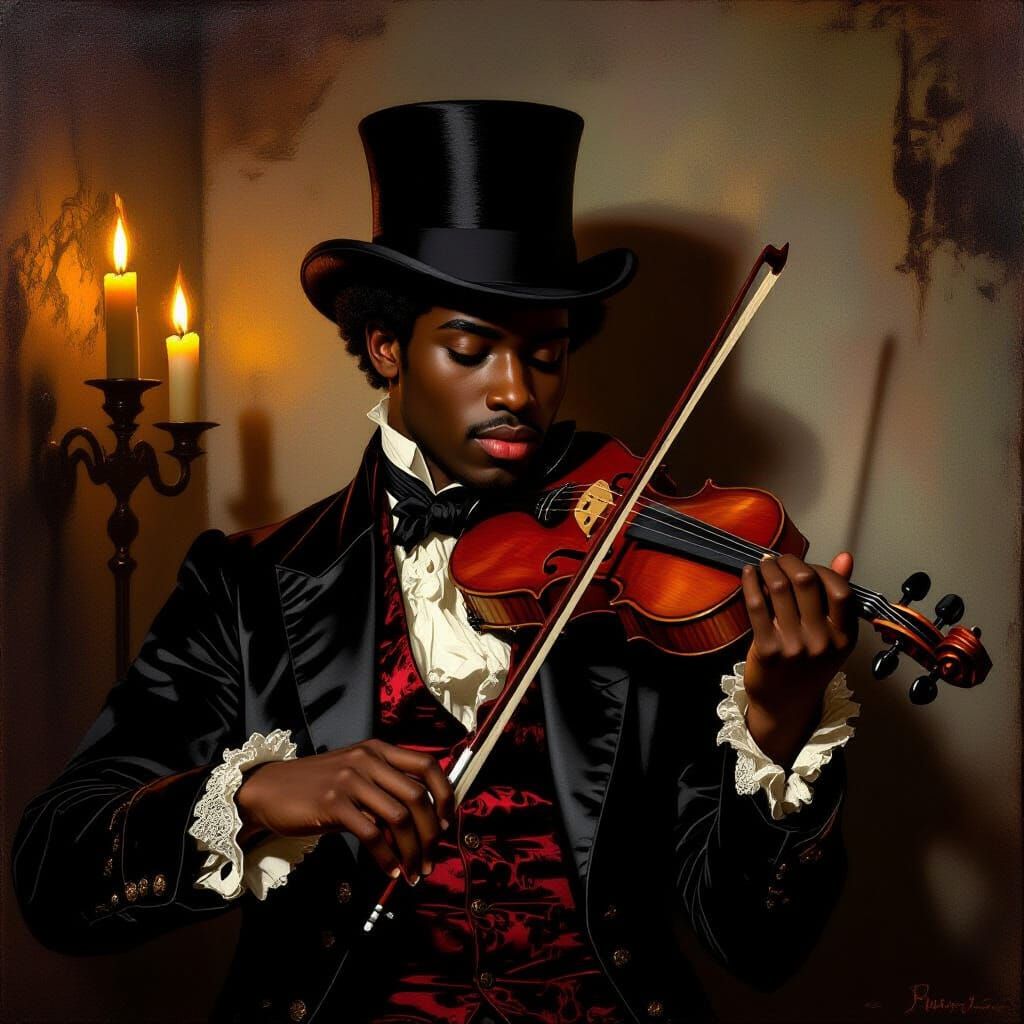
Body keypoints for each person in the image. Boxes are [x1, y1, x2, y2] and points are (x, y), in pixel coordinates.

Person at [12, 100, 861, 1024]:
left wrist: (778, 727)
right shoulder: (246, 584)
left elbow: (757, 944)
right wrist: (257, 795)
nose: (516, 392)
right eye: (470, 349)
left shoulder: (640, 572)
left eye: (546, 355)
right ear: (386, 347)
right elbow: (56, 877)